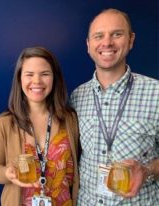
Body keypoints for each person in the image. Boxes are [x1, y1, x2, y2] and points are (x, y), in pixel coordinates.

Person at [70, 8, 159, 205]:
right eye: (98, 36)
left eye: (117, 34)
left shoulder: (156, 93)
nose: (107, 42)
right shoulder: (76, 98)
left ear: (131, 40)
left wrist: (147, 171)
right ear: (88, 45)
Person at [0, 47, 80, 206]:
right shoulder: (4, 123)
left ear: (54, 78)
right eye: (29, 74)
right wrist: (7, 173)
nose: (37, 81)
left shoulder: (70, 119)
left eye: (44, 74)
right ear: (19, 79)